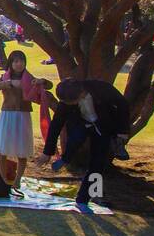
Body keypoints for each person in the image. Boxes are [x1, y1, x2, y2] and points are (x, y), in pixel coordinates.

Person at [37, 78, 131, 206]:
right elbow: (56, 124)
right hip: (81, 124)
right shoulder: (66, 98)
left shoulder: (102, 88)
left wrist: (122, 132)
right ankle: (66, 158)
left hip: (102, 125)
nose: (65, 105)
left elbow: (123, 106)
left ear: (81, 94)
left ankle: (86, 197)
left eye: (70, 102)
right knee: (76, 139)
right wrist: (47, 152)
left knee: (98, 163)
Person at [0, 50, 35, 186]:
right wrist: (8, 83)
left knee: (22, 150)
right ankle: (3, 179)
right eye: (16, 61)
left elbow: (47, 85)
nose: (19, 64)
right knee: (3, 149)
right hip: (7, 114)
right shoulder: (5, 76)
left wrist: (41, 81)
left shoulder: (28, 77)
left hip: (23, 115)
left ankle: (17, 180)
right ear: (11, 63)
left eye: (21, 61)